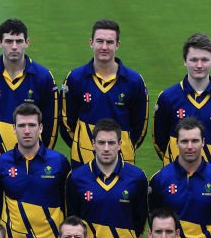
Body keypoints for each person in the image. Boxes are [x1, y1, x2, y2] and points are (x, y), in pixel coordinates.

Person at [0, 102, 71, 238]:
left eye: (32, 125)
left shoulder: (59, 162)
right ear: (14, 128)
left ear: (40, 128)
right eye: (22, 125)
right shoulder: (0, 164)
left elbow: (68, 205)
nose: (27, 131)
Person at [65, 118, 148, 238]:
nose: (106, 148)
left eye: (111, 143)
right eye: (101, 143)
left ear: (120, 144)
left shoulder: (137, 178)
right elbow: (72, 221)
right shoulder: (76, 178)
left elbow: (140, 220)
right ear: (93, 143)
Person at [61, 19, 148, 166]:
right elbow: (66, 122)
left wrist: (122, 147)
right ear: (91, 43)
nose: (104, 47)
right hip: (83, 160)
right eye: (99, 41)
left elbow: (140, 126)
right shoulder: (75, 78)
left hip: (123, 161)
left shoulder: (134, 81)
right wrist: (82, 145)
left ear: (117, 45)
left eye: (109, 42)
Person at [0, 18, 58, 162]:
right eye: (9, 41)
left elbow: (51, 123)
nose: (14, 47)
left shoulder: (43, 78)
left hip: (32, 160)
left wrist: (42, 155)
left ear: (27, 43)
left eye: (19, 41)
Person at [153, 33, 211, 174]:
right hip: (175, 179)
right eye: (194, 60)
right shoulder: (168, 97)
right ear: (185, 61)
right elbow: (159, 141)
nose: (199, 65)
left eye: (205, 60)